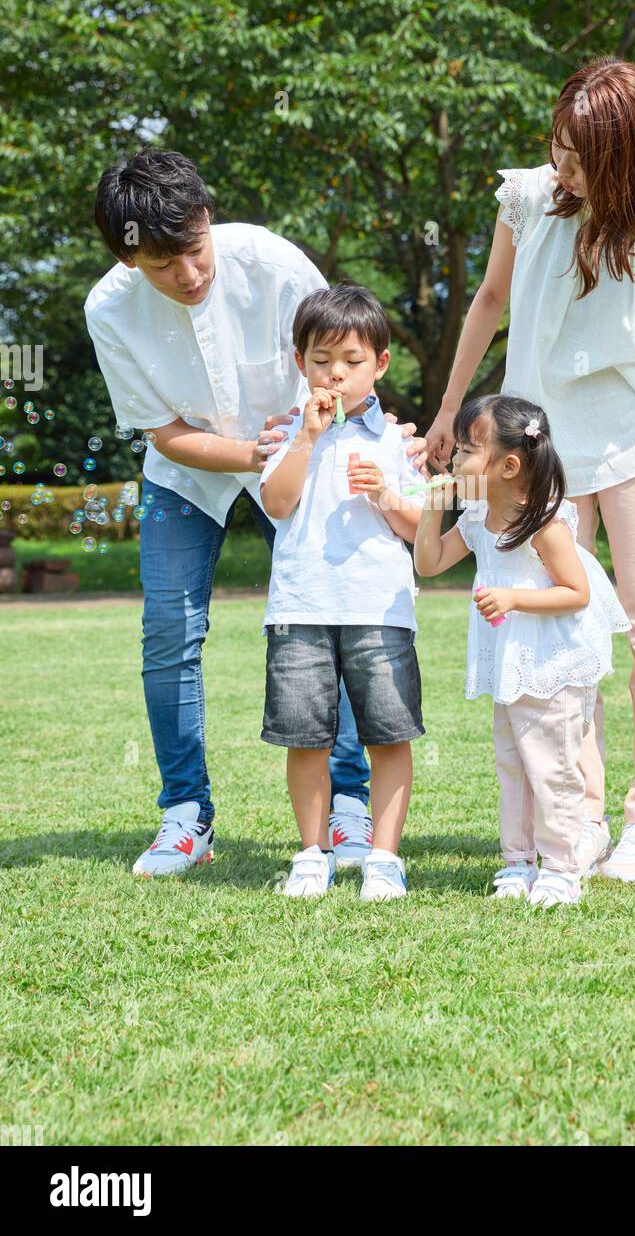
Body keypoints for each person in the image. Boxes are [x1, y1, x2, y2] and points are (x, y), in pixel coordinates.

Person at [426, 57, 635, 883]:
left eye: (581, 156)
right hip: (539, 451)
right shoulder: (527, 198)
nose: (563, 166)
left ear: (627, 154)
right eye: (559, 145)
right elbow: (489, 301)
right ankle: (575, 822)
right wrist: (447, 410)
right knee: (556, 631)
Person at [84, 149, 428, 877]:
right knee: (170, 629)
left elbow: (342, 356)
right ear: (126, 259)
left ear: (207, 216)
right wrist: (255, 456)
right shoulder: (108, 309)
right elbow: (166, 434)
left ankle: (347, 807)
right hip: (193, 472)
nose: (189, 274)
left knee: (330, 611)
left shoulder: (273, 262)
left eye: (195, 249)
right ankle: (186, 814)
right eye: (163, 266)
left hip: (310, 462)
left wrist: (385, 436)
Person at [415, 394, 631, 908]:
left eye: (467, 450)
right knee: (513, 762)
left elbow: (575, 593)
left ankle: (561, 867)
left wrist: (513, 597)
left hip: (553, 663)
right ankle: (518, 861)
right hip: (514, 665)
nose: (455, 461)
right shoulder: (477, 517)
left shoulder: (545, 526)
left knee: (552, 767)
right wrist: (430, 512)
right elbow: (429, 562)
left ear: (509, 465)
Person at [259, 284, 427, 902]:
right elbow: (277, 504)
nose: (336, 374)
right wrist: (306, 438)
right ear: (300, 363)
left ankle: (384, 858)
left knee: (388, 734)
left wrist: (386, 493)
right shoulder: (284, 433)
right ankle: (311, 854)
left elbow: (422, 534)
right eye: (321, 359)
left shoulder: (399, 442)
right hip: (300, 608)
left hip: (380, 609)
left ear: (380, 364)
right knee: (306, 737)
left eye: (352, 361)